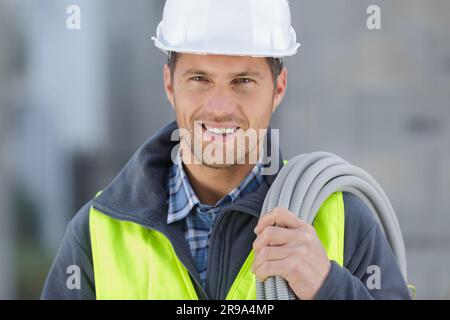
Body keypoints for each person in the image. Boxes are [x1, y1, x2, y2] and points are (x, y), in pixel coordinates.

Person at [41, 0, 411, 300]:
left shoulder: (341, 221)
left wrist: (329, 288)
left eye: (243, 81)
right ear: (170, 84)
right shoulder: (98, 232)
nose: (219, 107)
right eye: (199, 79)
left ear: (278, 88)